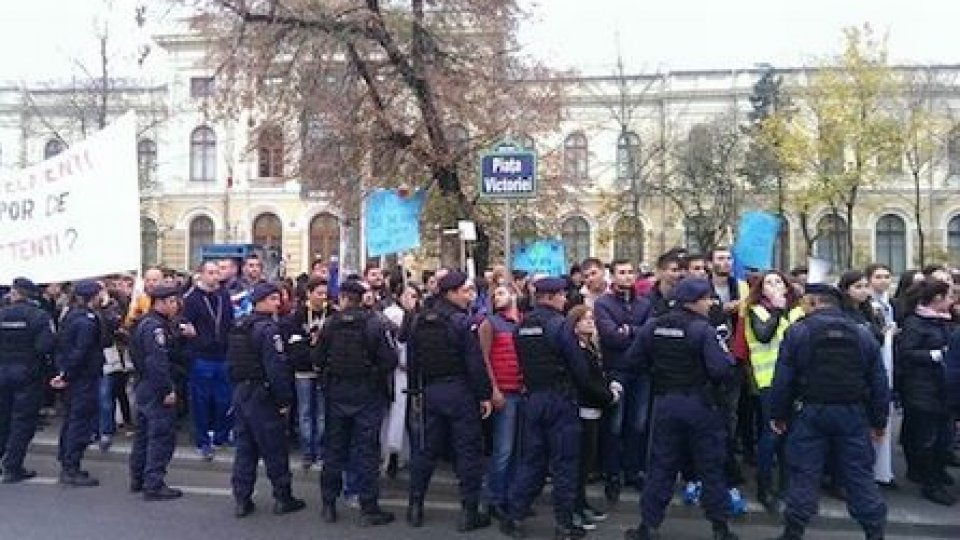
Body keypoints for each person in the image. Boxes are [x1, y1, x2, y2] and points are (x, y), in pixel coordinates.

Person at [769, 283, 889, 539]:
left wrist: (778, 415)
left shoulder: (798, 332)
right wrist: (879, 421)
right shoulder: (863, 333)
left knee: (804, 475)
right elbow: (880, 381)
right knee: (859, 476)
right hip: (852, 414)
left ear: (813, 302)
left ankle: (793, 532)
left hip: (811, 413)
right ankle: (874, 532)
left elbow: (783, 379)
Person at [624, 277, 739, 540]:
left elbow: (632, 361)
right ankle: (720, 528)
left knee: (661, 466)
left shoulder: (654, 326)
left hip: (665, 404)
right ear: (694, 302)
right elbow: (721, 370)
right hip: (700, 404)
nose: (711, 303)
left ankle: (648, 526)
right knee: (710, 466)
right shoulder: (703, 330)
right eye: (707, 298)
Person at [501, 277, 614, 540]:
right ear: (550, 296)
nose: (565, 299)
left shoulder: (522, 326)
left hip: (534, 399)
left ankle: (514, 516)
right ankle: (563, 525)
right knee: (565, 464)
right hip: (560, 401)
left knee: (531, 462)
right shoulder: (559, 326)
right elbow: (579, 368)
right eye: (562, 295)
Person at [405, 270, 493, 532]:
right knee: (468, 453)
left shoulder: (420, 320)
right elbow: (474, 363)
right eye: (465, 291)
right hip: (459, 392)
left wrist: (414, 392)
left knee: (425, 451)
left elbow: (413, 360)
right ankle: (469, 513)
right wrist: (484, 395)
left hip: (430, 392)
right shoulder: (461, 322)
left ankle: (415, 507)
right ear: (451, 293)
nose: (470, 296)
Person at [314, 279, 397, 526]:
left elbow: (317, 357)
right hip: (367, 394)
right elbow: (389, 359)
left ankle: (328, 505)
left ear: (343, 298)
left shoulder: (330, 324)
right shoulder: (375, 324)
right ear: (362, 299)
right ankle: (368, 508)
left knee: (334, 451)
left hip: (337, 393)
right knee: (366, 453)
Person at [227, 282, 306, 518]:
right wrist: (284, 400)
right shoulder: (268, 330)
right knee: (274, 448)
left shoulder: (238, 326)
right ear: (260, 301)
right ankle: (283, 497)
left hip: (242, 392)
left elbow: (231, 362)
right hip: (263, 394)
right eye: (272, 299)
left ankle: (242, 498)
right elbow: (276, 368)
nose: (277, 303)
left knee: (245, 449)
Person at [741, 270, 802, 511]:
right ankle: (764, 487)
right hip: (769, 381)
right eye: (769, 282)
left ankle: (786, 487)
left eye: (779, 281)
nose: (775, 286)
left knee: (790, 435)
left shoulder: (797, 312)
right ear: (761, 289)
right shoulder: (756, 311)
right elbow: (764, 336)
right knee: (772, 434)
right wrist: (776, 310)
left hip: (794, 381)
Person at [593, 259, 651, 503]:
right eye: (621, 273)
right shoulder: (603, 303)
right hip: (616, 370)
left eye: (630, 272)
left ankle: (633, 471)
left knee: (637, 425)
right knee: (614, 426)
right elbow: (609, 336)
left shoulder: (644, 303)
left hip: (641, 371)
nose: (626, 277)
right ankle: (612, 474)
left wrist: (628, 330)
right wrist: (632, 332)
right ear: (613, 276)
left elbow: (650, 333)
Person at [895, 278, 956, 506]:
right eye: (948, 296)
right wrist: (935, 355)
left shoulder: (946, 322)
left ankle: (937, 473)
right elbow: (906, 353)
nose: (952, 300)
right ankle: (930, 482)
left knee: (942, 436)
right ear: (937, 299)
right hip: (922, 388)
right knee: (928, 438)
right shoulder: (915, 322)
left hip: (943, 388)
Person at [567, 305, 619, 531]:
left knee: (587, 461)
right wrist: (609, 395)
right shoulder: (576, 349)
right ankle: (575, 507)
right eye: (584, 319)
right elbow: (585, 381)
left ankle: (582, 504)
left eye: (591, 319)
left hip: (594, 409)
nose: (590, 322)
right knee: (580, 462)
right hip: (583, 409)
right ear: (574, 324)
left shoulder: (591, 346)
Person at [128, 285, 183, 500]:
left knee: (143, 435)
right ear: (160, 303)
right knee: (160, 436)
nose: (175, 306)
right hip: (154, 387)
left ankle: (138, 478)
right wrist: (166, 389)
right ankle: (154, 484)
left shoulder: (146, 323)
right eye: (171, 302)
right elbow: (157, 362)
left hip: (144, 385)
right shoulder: (155, 328)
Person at [53, 280, 108, 487]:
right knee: (79, 423)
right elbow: (81, 351)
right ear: (92, 296)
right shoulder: (87, 320)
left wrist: (63, 373)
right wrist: (66, 375)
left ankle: (67, 461)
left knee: (71, 420)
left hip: (75, 376)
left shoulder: (71, 315)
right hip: (83, 378)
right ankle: (71, 467)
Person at [0, 278, 55, 483]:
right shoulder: (39, 316)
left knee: (2, 419)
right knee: (23, 421)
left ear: (15, 293)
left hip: (2, 372)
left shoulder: (2, 314)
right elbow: (46, 346)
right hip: (27, 374)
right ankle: (13, 466)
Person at [477, 284, 524, 520]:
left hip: (522, 391)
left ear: (514, 295)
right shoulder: (490, 324)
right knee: (503, 449)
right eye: (494, 294)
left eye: (502, 293)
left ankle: (511, 496)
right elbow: (483, 358)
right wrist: (493, 389)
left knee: (518, 449)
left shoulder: (523, 323)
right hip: (504, 392)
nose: (497, 297)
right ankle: (494, 498)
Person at [182, 261, 233, 460]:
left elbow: (229, 320)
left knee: (224, 399)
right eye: (210, 273)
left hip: (223, 355)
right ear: (201, 275)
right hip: (201, 357)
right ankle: (203, 440)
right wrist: (186, 328)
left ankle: (220, 436)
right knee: (201, 400)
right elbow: (181, 320)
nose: (215, 276)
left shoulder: (223, 295)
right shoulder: (192, 298)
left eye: (217, 272)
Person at [287, 276, 331, 469]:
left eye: (325, 293)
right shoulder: (298, 315)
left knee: (322, 413)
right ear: (309, 293)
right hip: (303, 371)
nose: (323, 297)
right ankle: (307, 450)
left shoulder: (332, 314)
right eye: (319, 293)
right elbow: (295, 345)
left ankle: (321, 450)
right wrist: (311, 349)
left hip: (323, 372)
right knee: (305, 412)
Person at [865, 263, 897, 488]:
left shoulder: (888, 304)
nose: (883, 280)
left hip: (888, 363)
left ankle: (883, 471)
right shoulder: (868, 306)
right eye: (878, 276)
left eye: (887, 276)